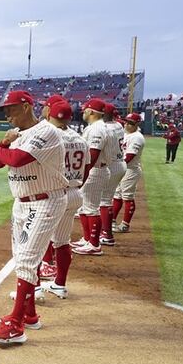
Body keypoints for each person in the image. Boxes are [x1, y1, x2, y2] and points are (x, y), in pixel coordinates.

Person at [0, 90, 67, 346]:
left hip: (45, 201)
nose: (7, 114)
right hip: (23, 202)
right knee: (22, 258)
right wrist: (3, 144)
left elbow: (17, 160)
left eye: (11, 108)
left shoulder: (46, 132)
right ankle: (29, 314)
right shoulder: (18, 135)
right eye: (4, 110)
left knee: (27, 260)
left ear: (27, 106)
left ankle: (16, 324)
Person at [38, 99, 86, 299]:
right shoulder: (80, 138)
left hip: (54, 194)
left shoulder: (48, 135)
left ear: (49, 112)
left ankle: (33, 289)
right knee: (62, 241)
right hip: (75, 192)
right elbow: (87, 167)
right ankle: (59, 284)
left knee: (36, 242)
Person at [73, 99, 111, 256]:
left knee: (91, 208)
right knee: (84, 207)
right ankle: (88, 239)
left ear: (93, 112)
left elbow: (93, 155)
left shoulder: (97, 129)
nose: (84, 112)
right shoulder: (96, 127)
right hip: (94, 169)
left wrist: (84, 174)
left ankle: (94, 244)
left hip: (95, 170)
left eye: (86, 110)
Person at [98, 104, 126, 247]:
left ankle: (107, 235)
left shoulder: (105, 128)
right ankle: (105, 232)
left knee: (104, 200)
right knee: (106, 199)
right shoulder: (119, 126)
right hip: (119, 162)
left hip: (113, 164)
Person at [114, 113, 146, 232]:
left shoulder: (137, 137)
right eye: (126, 122)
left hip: (130, 170)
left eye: (129, 123)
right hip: (122, 168)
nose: (126, 124)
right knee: (117, 195)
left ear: (136, 124)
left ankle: (125, 224)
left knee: (127, 196)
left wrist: (117, 166)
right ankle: (112, 221)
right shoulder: (126, 134)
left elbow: (130, 156)